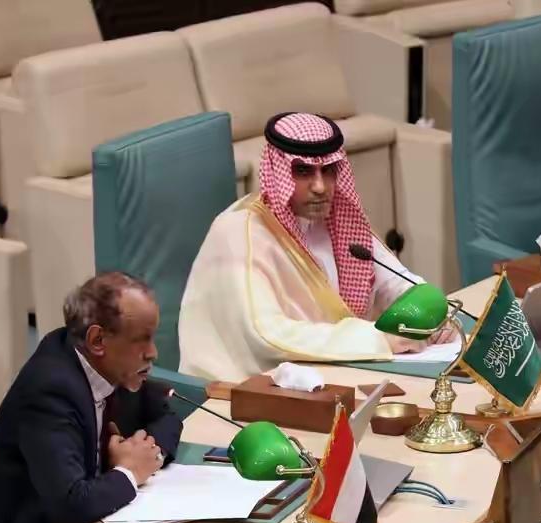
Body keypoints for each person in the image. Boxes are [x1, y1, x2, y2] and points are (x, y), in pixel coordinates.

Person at [178, 112, 452, 381]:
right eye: (303, 171)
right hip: (236, 391)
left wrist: (435, 316)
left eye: (328, 170)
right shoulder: (239, 233)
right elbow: (267, 334)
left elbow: (397, 283)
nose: (320, 187)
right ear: (278, 170)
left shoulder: (342, 220)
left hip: (330, 375)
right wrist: (377, 339)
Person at [0, 272, 182, 523]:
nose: (153, 352)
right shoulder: (49, 390)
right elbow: (69, 504)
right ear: (98, 340)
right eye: (141, 339)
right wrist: (130, 471)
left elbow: (168, 417)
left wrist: (146, 454)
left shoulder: (114, 369)